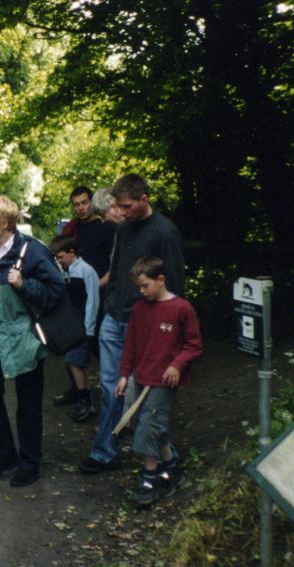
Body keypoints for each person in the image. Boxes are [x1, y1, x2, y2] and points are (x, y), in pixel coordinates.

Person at [79, 174, 185, 474]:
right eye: (118, 206)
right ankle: (104, 452)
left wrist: (166, 332)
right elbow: (116, 270)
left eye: (126, 206)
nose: (121, 212)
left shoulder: (165, 233)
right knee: (111, 386)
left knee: (147, 394)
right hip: (114, 319)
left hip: (146, 326)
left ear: (144, 200)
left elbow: (175, 285)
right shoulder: (123, 229)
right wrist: (109, 306)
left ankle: (165, 457)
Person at [0, 196, 64, 487]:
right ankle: (4, 454)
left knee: (29, 401)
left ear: (6, 224)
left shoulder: (31, 251)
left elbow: (57, 289)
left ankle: (30, 462)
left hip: (24, 336)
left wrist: (24, 284)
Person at [115, 257, 202, 506]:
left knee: (148, 426)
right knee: (156, 426)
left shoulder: (181, 308)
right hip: (141, 377)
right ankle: (172, 469)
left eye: (145, 286)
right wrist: (124, 375)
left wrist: (177, 365)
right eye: (138, 288)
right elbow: (130, 344)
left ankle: (148, 477)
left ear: (160, 280)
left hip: (164, 381)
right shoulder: (139, 309)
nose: (142, 292)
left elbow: (194, 345)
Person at [53, 186, 115, 408]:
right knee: (73, 342)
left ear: (91, 202)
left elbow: (115, 263)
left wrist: (98, 285)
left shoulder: (105, 228)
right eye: (76, 204)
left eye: (84, 202)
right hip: (78, 295)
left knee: (99, 343)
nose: (80, 208)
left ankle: (110, 392)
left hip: (101, 292)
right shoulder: (72, 229)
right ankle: (78, 390)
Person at [50, 235, 100, 423]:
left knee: (74, 362)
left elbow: (93, 301)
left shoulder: (87, 271)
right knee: (71, 362)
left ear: (72, 252)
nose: (59, 260)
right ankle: (81, 396)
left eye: (61, 256)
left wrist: (88, 329)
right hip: (70, 326)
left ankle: (85, 401)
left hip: (83, 328)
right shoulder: (66, 271)